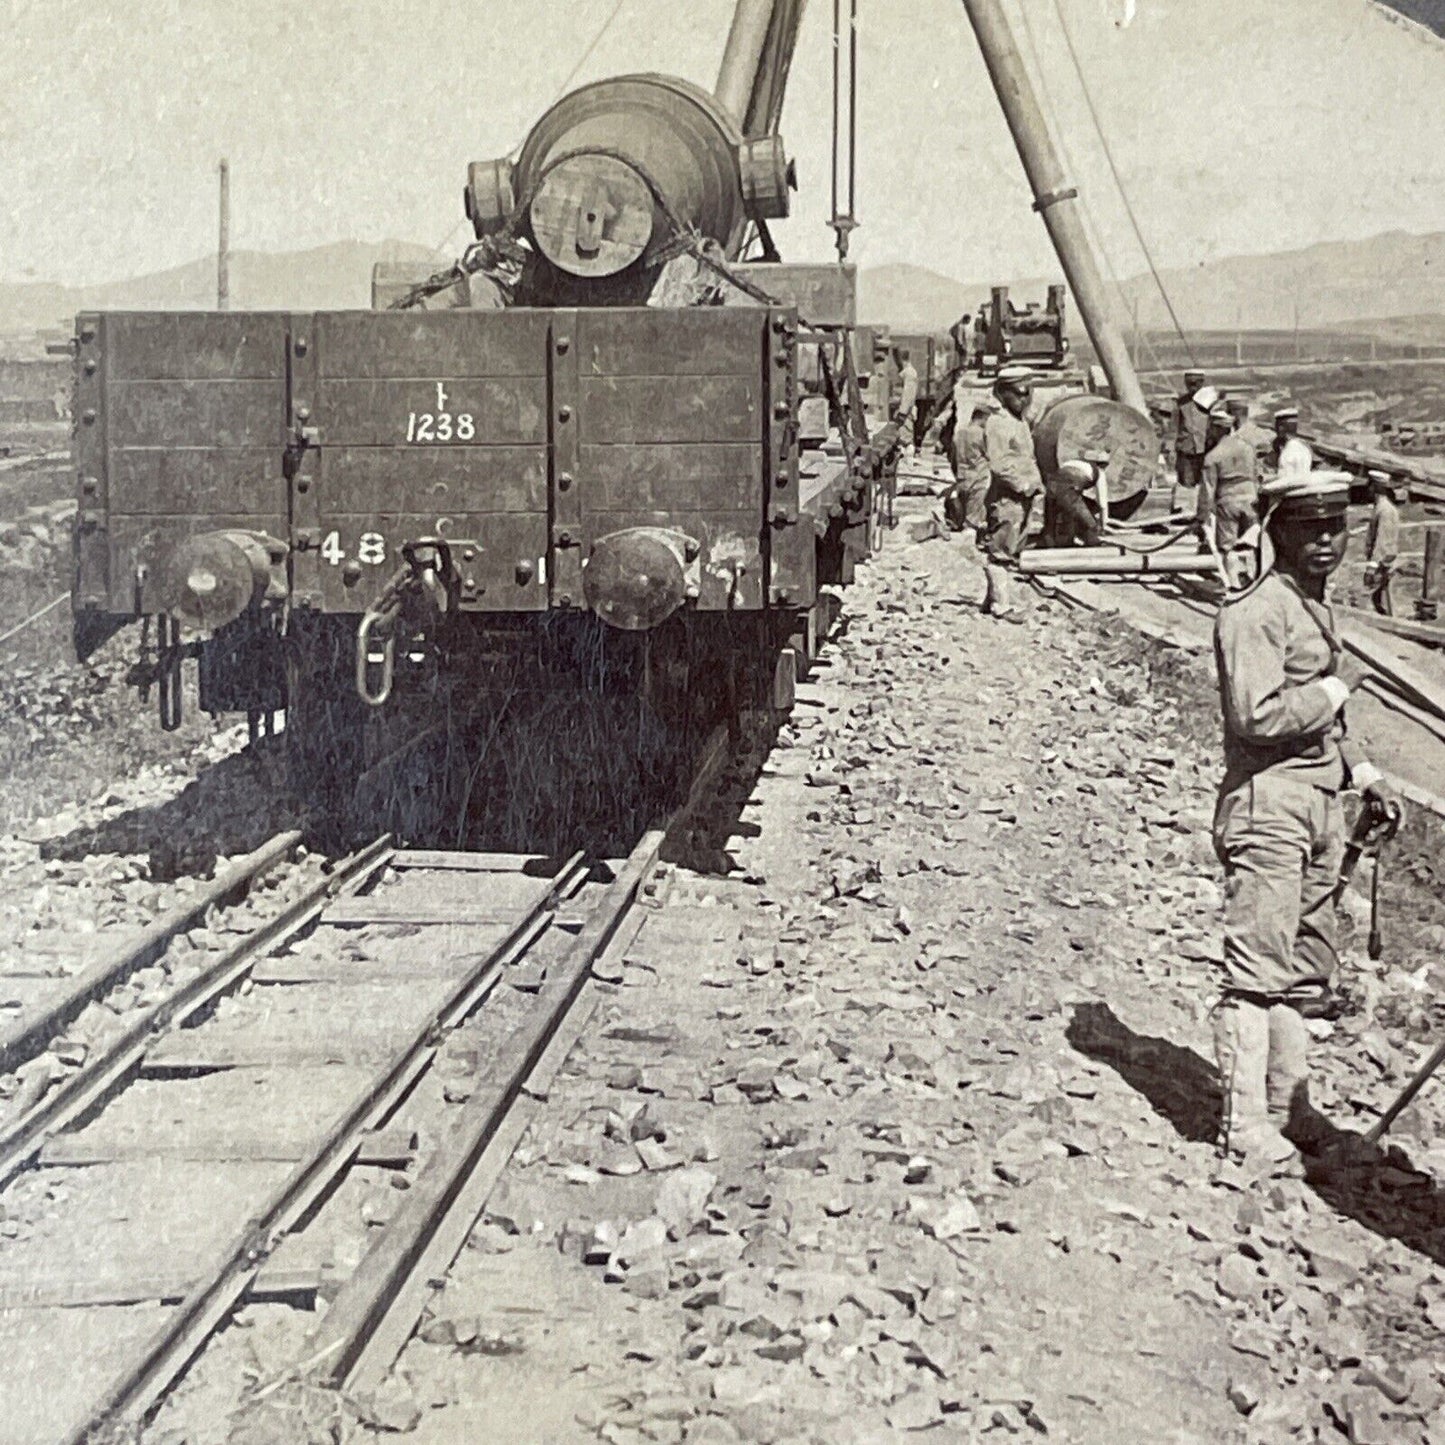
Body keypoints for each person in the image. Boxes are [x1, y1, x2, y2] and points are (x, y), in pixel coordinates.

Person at [1211, 470, 1403, 1174]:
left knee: (1301, 969)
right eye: (1307, 527)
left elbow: (1326, 724)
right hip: (1269, 804)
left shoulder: (1311, 604)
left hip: (1318, 800)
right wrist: (1331, 688)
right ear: (1276, 530)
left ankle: (1289, 1106)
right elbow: (1254, 716)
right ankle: (1242, 1125)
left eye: (1335, 528)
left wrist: (1363, 775)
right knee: (1255, 970)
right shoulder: (1254, 610)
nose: (1324, 541)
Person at [980, 365, 1041, 620]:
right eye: (1019, 393)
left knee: (1009, 548)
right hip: (1008, 498)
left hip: (1022, 498)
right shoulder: (998, 423)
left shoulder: (1020, 422)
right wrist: (1024, 484)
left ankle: (990, 600)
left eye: (1029, 393)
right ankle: (1000, 606)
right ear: (1003, 393)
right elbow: (999, 464)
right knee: (1001, 550)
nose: (1024, 399)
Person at [1199, 399, 1261, 588]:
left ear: (1217, 429)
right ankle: (1254, 581)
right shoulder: (1248, 449)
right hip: (1251, 500)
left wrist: (1201, 517)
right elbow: (1256, 475)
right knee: (1252, 544)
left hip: (1228, 503)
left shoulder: (1213, 456)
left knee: (1228, 547)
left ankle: (1233, 586)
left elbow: (1207, 491)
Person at [944, 401, 993, 540]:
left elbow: (952, 457)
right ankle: (968, 550)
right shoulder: (981, 434)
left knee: (963, 511)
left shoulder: (959, 433)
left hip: (962, 477)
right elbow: (990, 455)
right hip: (978, 478)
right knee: (972, 520)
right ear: (983, 418)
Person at [1042, 458, 1104, 548]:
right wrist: (1102, 523)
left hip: (1053, 483)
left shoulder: (1076, 462)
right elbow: (1102, 502)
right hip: (1069, 483)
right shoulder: (1100, 473)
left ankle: (1053, 544)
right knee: (1087, 520)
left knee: (1051, 520)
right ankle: (1092, 542)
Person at [1364, 469, 1401, 617]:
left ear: (1376, 487)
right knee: (1381, 600)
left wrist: (1371, 567)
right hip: (1383, 562)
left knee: (1365, 598)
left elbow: (1382, 541)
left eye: (1370, 485)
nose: (1368, 489)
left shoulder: (1385, 511)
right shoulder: (1380, 508)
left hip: (1382, 564)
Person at [1175, 370, 1210, 497]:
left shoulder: (1211, 403)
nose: (1192, 387)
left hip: (1206, 450)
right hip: (1186, 450)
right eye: (1189, 384)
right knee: (1186, 486)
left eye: (1195, 383)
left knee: (1206, 484)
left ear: (1202, 383)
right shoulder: (1181, 403)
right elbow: (1174, 428)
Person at [1269, 405, 1312, 476]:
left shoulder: (1289, 450)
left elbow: (1286, 480)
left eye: (1277, 426)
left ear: (1281, 427)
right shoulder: (1304, 447)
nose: (1276, 430)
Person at [893, 350, 919, 450]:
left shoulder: (909, 373)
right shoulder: (906, 372)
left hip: (905, 413)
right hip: (902, 410)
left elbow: (908, 394)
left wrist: (902, 412)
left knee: (905, 438)